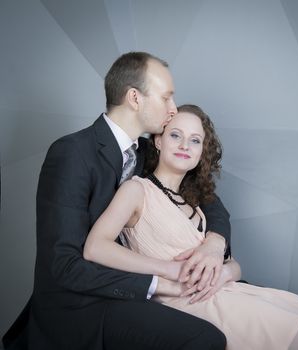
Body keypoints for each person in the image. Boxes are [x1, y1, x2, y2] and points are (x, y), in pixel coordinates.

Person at [2, 53, 231, 350]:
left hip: (133, 295)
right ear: (135, 98)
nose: (173, 109)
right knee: (206, 338)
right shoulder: (72, 153)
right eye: (166, 98)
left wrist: (214, 245)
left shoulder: (150, 151)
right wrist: (159, 283)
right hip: (81, 307)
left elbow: (209, 201)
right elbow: (64, 265)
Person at [83, 104, 298, 350]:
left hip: (226, 292)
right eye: (175, 135)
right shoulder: (136, 190)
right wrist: (169, 269)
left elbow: (234, 266)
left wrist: (223, 273)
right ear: (158, 140)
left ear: (201, 153)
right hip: (186, 302)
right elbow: (95, 247)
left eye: (195, 140)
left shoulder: (198, 206)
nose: (184, 145)